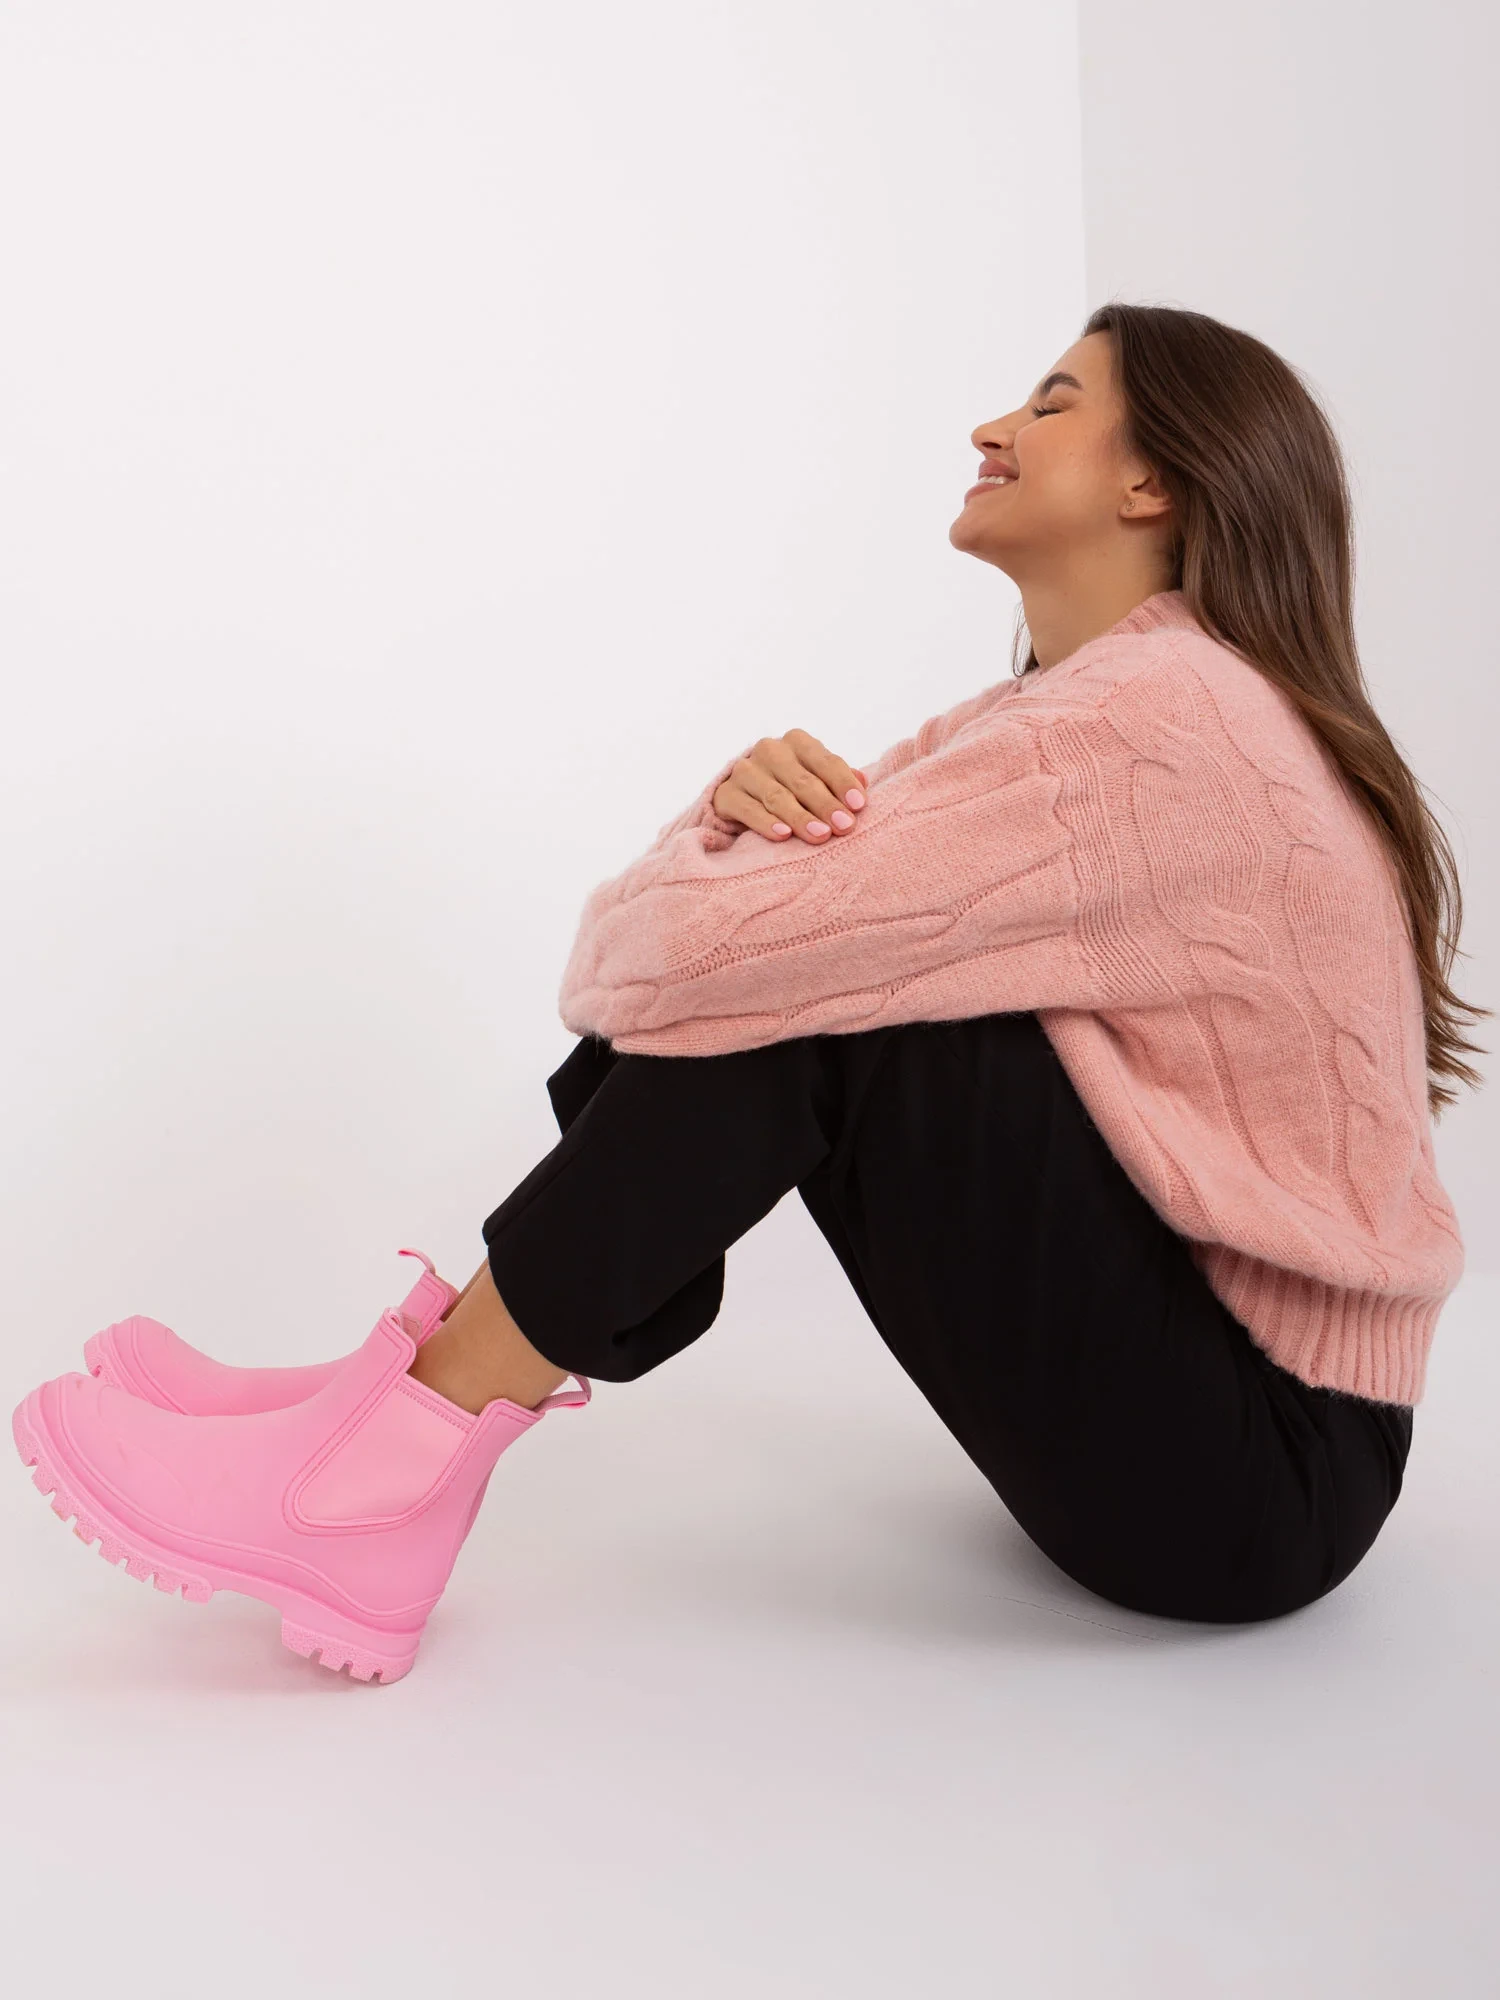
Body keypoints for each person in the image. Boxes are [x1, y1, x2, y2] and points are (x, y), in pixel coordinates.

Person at [13, 303, 1484, 1684]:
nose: (992, 427)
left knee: (837, 1007)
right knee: (826, 977)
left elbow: (665, 964)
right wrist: (730, 817)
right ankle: (376, 1412)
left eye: (1050, 405)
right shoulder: (1084, 713)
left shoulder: (1159, 726)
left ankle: (383, 1466)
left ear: (1153, 480)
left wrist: (724, 844)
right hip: (1254, 1452)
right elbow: (666, 969)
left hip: (1251, 1478)